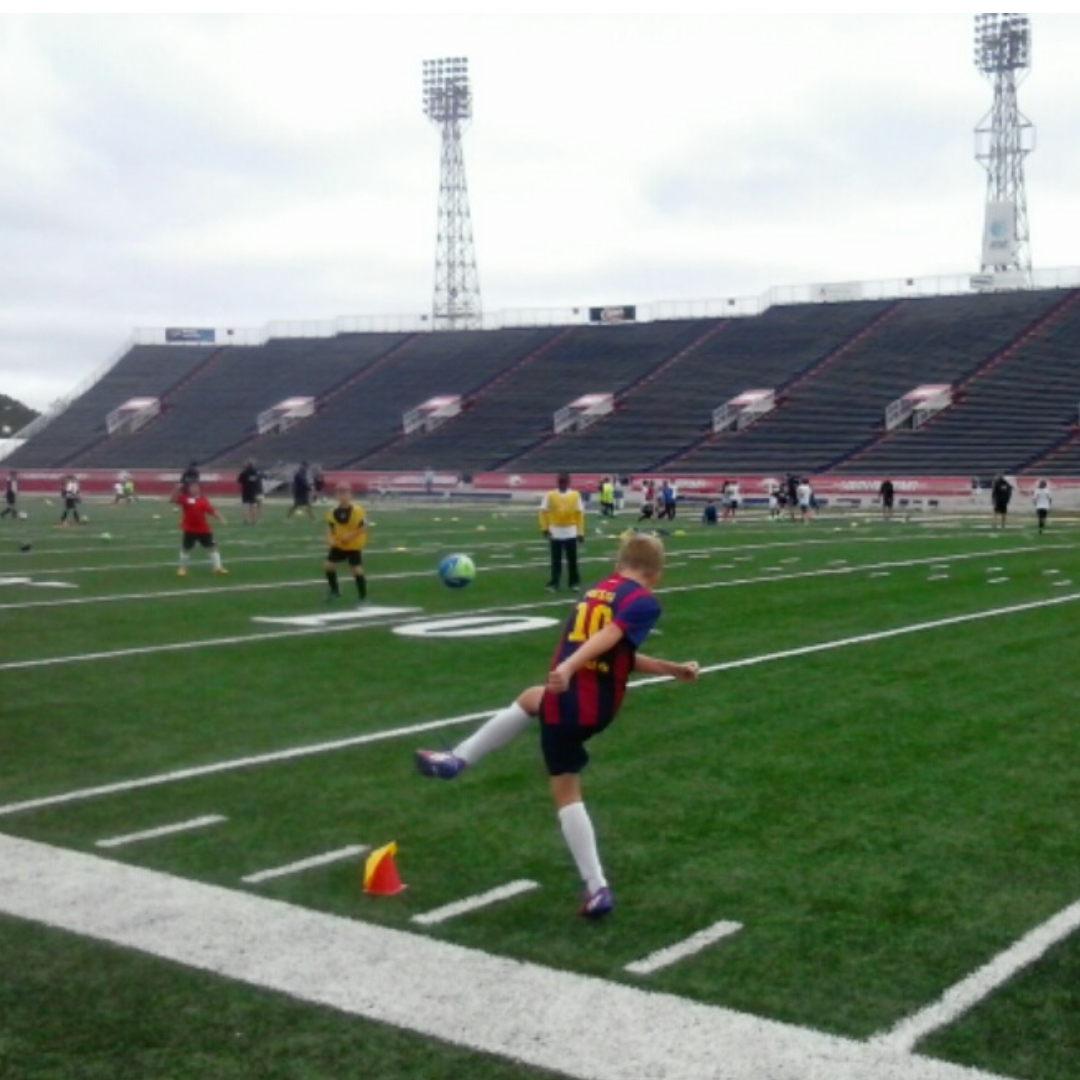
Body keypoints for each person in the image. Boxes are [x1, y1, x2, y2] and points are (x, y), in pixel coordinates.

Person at [415, 533, 700, 918]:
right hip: (588, 703)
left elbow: (611, 645)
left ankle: (458, 760)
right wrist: (571, 668)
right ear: (656, 573)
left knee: (543, 727)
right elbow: (612, 642)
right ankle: (597, 888)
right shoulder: (643, 600)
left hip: (574, 698)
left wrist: (665, 669)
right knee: (560, 773)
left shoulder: (599, 591)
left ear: (619, 564)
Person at [539, 472, 584, 592]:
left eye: (564, 481)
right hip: (555, 531)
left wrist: (580, 532)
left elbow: (579, 514)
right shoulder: (550, 495)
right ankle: (554, 583)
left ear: (569, 482)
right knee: (556, 560)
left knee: (572, 559)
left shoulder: (575, 495)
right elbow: (543, 512)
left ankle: (574, 583)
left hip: (571, 531)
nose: (562, 484)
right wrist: (544, 528)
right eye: (560, 481)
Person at [324, 482, 368, 603]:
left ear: (350, 495)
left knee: (356, 569)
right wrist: (329, 539)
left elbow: (363, 527)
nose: (342, 496)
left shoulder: (358, 510)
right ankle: (334, 591)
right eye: (339, 493)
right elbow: (329, 527)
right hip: (339, 544)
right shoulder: (332, 511)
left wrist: (350, 535)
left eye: (345, 493)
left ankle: (362, 597)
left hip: (353, 544)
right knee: (328, 565)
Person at [173, 481, 227, 576]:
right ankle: (182, 568)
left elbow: (211, 510)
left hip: (203, 529)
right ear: (188, 489)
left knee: (212, 547)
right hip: (190, 529)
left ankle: (218, 567)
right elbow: (172, 500)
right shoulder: (185, 498)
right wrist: (176, 489)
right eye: (192, 487)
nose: (195, 489)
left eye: (196, 487)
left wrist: (221, 518)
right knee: (186, 549)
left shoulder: (203, 499)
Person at [237, 459, 264, 525]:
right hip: (253, 491)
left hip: (245, 491)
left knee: (245, 506)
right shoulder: (257, 472)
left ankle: (245, 520)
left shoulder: (243, 473)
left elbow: (239, 481)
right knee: (253, 506)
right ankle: (254, 521)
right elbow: (259, 481)